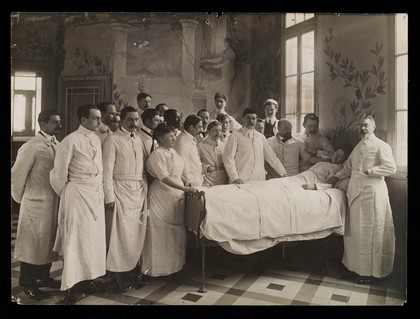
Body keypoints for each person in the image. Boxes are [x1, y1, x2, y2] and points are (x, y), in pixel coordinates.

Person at [327, 115, 396, 284]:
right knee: (356, 232)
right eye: (359, 126)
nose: (362, 128)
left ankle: (371, 273)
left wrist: (370, 172)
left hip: (373, 195)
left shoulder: (381, 146)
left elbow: (391, 167)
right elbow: (348, 168)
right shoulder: (357, 147)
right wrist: (335, 178)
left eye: (365, 125)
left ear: (373, 127)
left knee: (372, 232)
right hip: (356, 194)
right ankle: (355, 269)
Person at [50, 104, 106, 305]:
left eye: (100, 118)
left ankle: (87, 280)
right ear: (83, 120)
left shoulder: (96, 140)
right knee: (74, 240)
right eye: (95, 118)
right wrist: (69, 193)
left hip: (94, 194)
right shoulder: (70, 141)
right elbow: (58, 175)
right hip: (76, 195)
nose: (99, 122)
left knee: (91, 240)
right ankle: (70, 286)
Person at [11, 110, 62, 300]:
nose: (59, 125)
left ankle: (43, 277)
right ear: (42, 124)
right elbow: (16, 177)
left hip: (52, 202)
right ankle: (28, 284)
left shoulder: (57, 144)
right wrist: (23, 200)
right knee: (33, 245)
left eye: (59, 122)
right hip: (35, 203)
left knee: (47, 243)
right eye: (55, 122)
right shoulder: (31, 146)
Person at [140, 123, 197, 277]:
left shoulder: (173, 152)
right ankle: (158, 269)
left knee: (175, 231)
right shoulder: (157, 154)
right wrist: (183, 189)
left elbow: (181, 172)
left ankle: (174, 267)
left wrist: (188, 183)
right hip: (161, 195)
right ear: (160, 138)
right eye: (170, 135)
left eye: (174, 135)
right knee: (161, 232)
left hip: (176, 195)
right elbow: (163, 177)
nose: (174, 138)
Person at [102, 106, 147, 293]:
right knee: (118, 235)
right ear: (122, 120)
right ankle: (116, 275)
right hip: (120, 191)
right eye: (130, 119)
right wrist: (109, 197)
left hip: (137, 192)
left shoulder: (138, 140)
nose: (134, 123)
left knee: (133, 235)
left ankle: (129, 273)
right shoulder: (113, 140)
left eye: (136, 119)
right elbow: (107, 171)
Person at [223, 108, 287, 184]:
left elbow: (272, 157)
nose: (251, 121)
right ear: (243, 119)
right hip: (241, 180)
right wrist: (234, 178)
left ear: (256, 119)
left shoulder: (261, 137)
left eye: (253, 118)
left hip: (259, 180)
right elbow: (228, 158)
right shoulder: (234, 136)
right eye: (248, 118)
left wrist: (283, 173)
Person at [201, 37, 237, 102]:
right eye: (224, 42)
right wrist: (207, 60)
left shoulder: (231, 53)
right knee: (223, 88)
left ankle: (228, 104)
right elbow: (218, 60)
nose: (224, 44)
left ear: (229, 43)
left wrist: (211, 67)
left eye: (226, 42)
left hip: (229, 72)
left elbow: (224, 64)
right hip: (224, 71)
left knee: (226, 88)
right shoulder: (225, 52)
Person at [173, 114, 204, 187]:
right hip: (189, 184)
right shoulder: (182, 142)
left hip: (196, 180)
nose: (201, 130)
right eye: (199, 127)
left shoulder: (190, 139)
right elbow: (183, 169)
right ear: (191, 128)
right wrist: (195, 183)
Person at [197, 120, 229, 186]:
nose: (218, 133)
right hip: (208, 179)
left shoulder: (223, 145)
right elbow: (196, 164)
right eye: (215, 130)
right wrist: (207, 168)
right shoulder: (201, 146)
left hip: (223, 179)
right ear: (208, 131)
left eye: (220, 130)